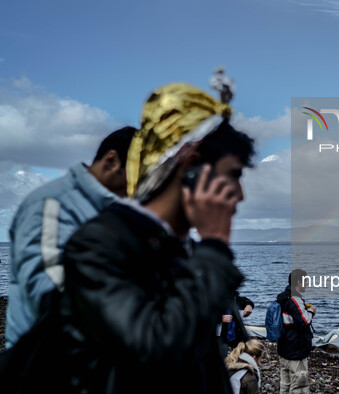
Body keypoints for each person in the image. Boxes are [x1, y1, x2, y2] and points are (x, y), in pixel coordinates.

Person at [14, 81, 255, 393]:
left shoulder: (184, 253)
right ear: (192, 166)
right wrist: (215, 247)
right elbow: (158, 350)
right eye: (232, 175)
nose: (240, 194)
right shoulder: (99, 243)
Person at [5, 126, 137, 348]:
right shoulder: (52, 204)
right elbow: (49, 291)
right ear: (112, 161)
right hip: (40, 365)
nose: (137, 189)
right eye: (135, 177)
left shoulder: (111, 209)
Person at [277, 268, 316, 393]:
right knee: (299, 383)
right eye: (305, 281)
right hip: (296, 348)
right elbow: (304, 321)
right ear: (299, 282)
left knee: (285, 384)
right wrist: (311, 311)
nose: (307, 284)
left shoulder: (282, 297)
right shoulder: (295, 299)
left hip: (284, 346)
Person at [218, 292, 255, 357]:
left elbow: (243, 300)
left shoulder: (231, 296)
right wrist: (219, 318)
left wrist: (248, 305)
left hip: (233, 334)